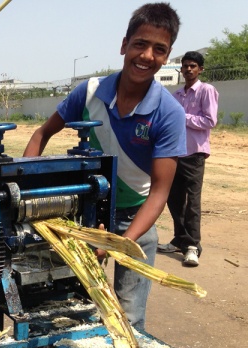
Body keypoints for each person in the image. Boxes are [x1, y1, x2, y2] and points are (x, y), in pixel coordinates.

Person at [24, 2, 186, 330]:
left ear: (167, 57)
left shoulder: (168, 113)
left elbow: (159, 192)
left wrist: (120, 241)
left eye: (159, 49)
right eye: (140, 44)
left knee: (128, 318)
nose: (146, 56)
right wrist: (25, 196)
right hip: (81, 215)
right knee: (65, 309)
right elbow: (42, 133)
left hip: (134, 219)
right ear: (124, 45)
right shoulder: (90, 92)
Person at [157, 51, 219, 267]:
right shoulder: (176, 95)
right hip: (176, 153)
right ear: (181, 69)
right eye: (185, 66)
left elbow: (209, 121)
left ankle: (192, 246)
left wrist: (181, 116)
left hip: (194, 154)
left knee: (192, 202)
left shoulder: (206, 90)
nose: (189, 69)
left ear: (200, 69)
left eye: (193, 66)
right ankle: (179, 239)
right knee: (174, 199)